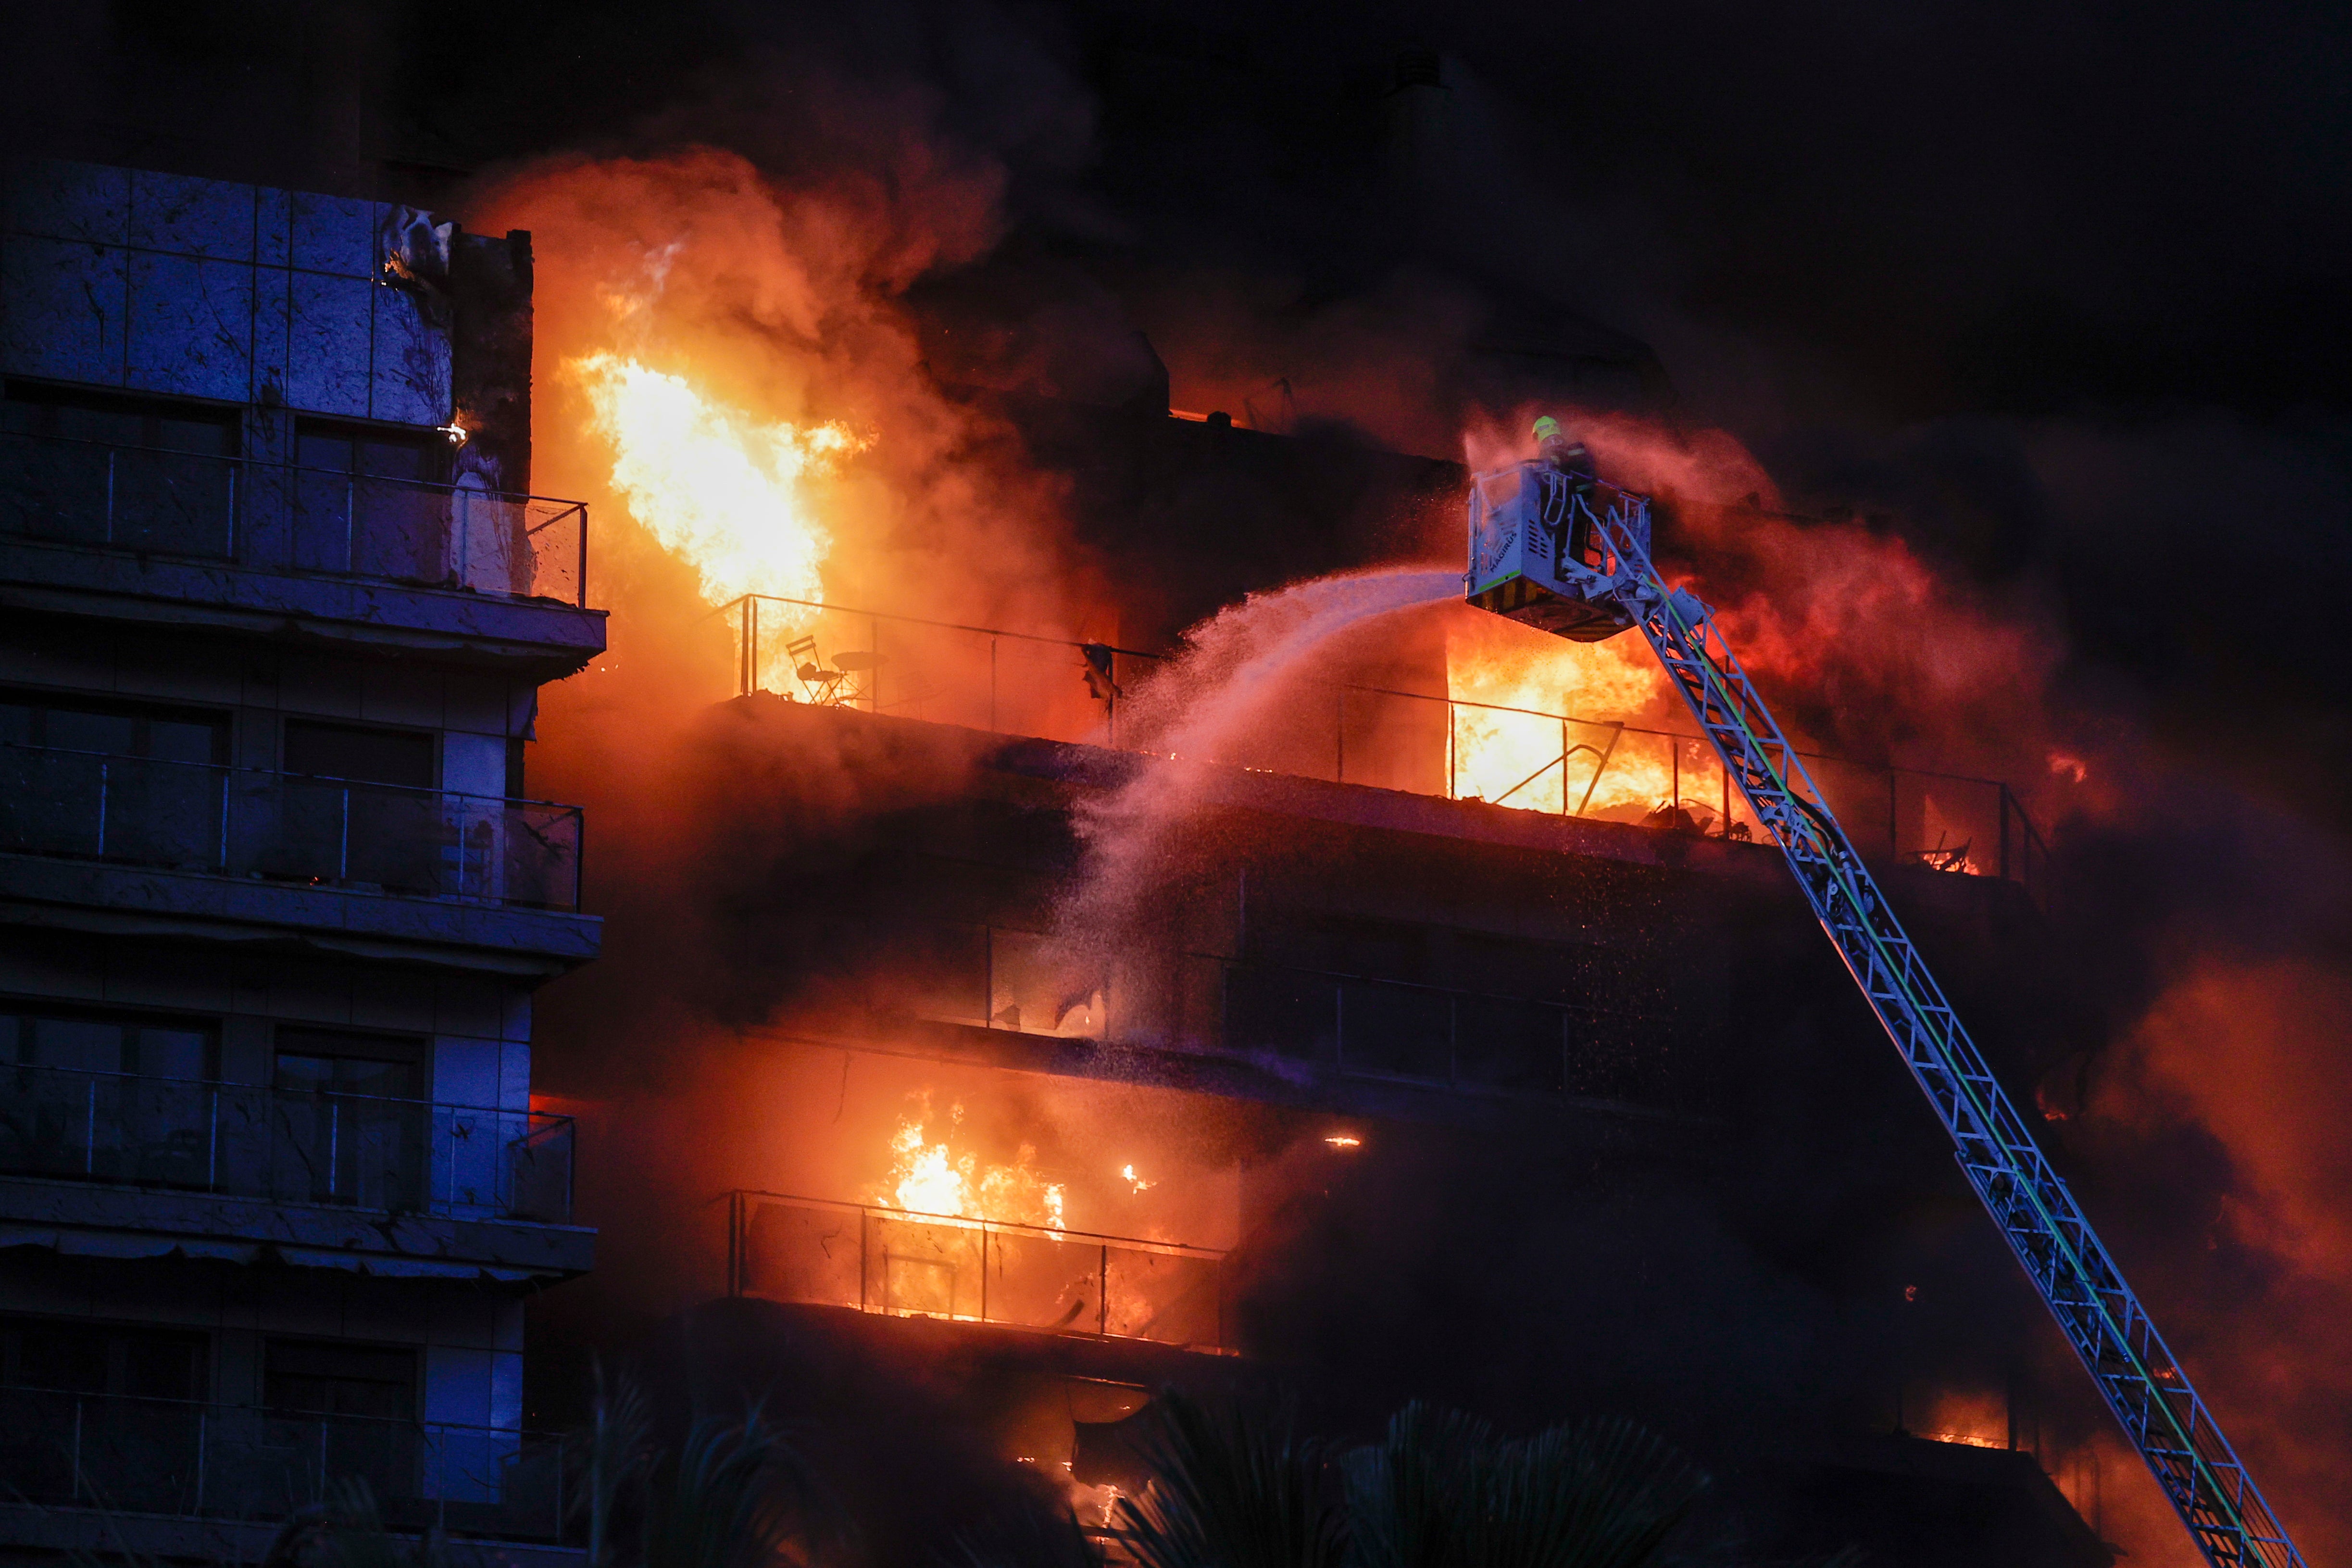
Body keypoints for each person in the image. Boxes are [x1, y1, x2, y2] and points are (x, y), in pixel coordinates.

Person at [1531, 415, 1597, 492]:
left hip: (1562, 494)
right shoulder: (1569, 451)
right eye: (1550, 441)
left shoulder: (1564, 453)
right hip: (1564, 494)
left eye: (1556, 440)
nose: (1553, 444)